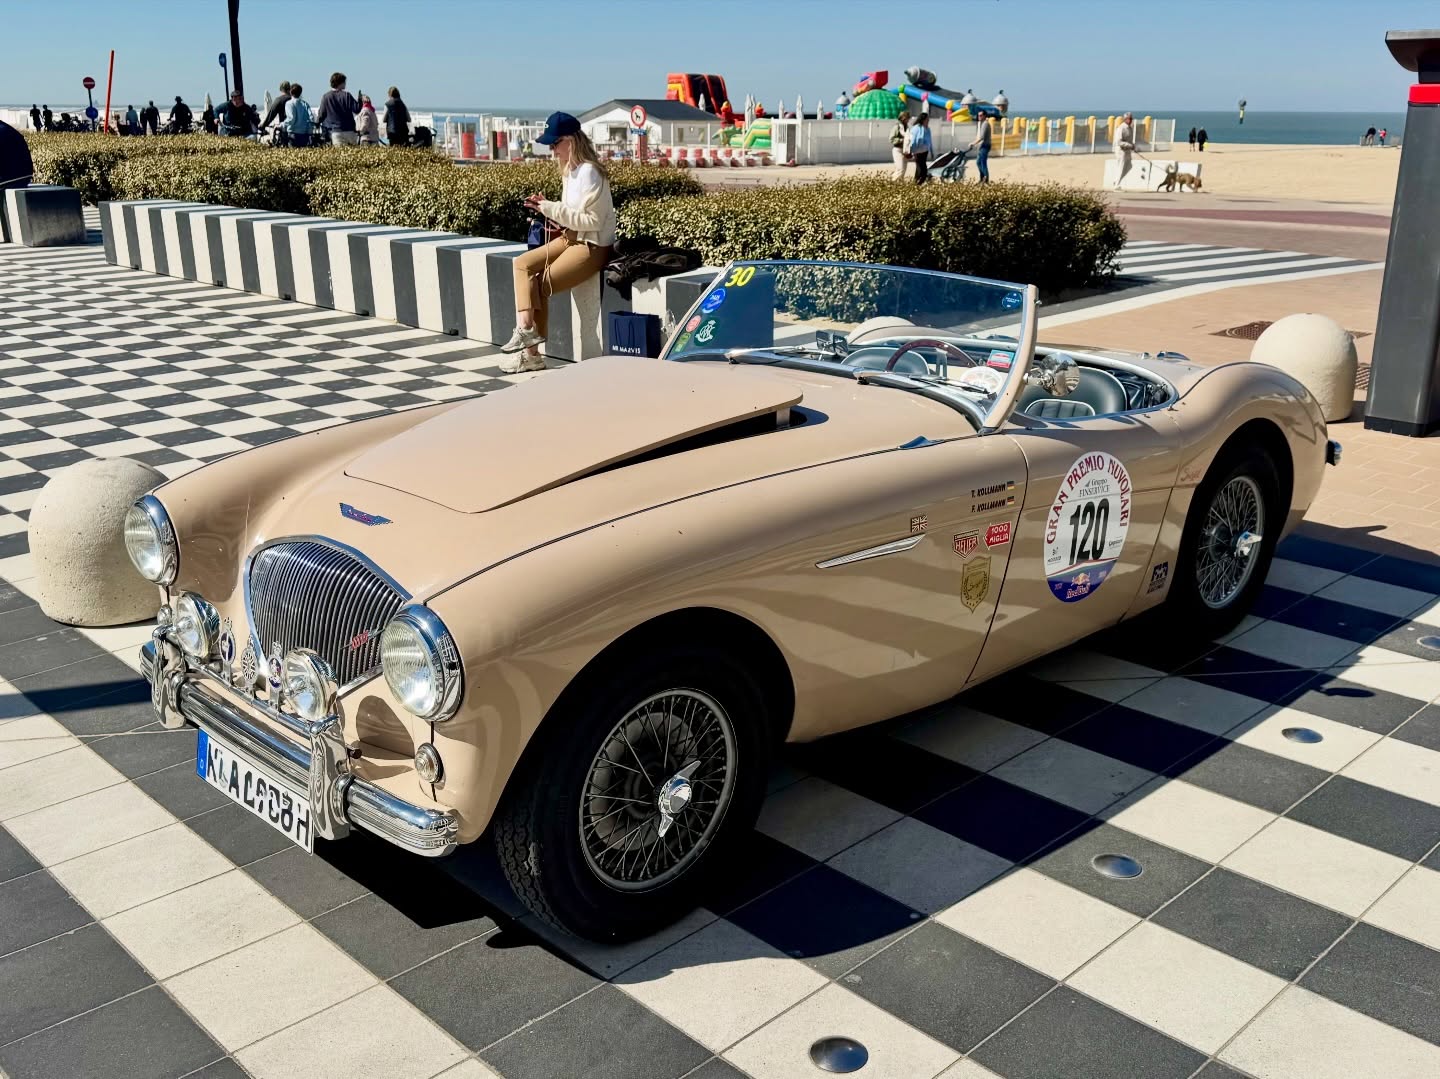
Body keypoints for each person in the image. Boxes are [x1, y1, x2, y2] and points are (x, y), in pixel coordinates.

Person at [501, 112, 616, 374]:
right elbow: (570, 213)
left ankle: (531, 353)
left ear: (571, 141)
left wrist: (549, 208)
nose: (553, 150)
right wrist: (547, 208)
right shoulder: (570, 170)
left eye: (555, 144)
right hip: (570, 239)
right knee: (522, 264)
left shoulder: (591, 173)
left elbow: (593, 222)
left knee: (540, 284)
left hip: (591, 246)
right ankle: (527, 332)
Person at [317, 72, 362, 145]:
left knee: (340, 154)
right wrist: (360, 100)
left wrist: (317, 123)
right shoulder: (347, 95)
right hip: (349, 130)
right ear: (340, 83)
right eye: (344, 82)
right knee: (354, 154)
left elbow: (322, 114)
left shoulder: (326, 97)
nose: (345, 84)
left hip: (336, 131)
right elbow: (357, 110)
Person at [906, 112, 932, 184]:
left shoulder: (928, 129)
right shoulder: (917, 128)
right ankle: (917, 184)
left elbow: (930, 141)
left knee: (920, 168)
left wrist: (931, 151)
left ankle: (916, 183)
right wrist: (912, 151)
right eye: (927, 119)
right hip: (917, 151)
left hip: (925, 151)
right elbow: (913, 140)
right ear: (923, 120)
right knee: (921, 169)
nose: (928, 120)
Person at [1112, 111, 1135, 189]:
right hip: (1121, 150)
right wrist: (1129, 145)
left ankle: (1116, 181)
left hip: (1127, 150)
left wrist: (1132, 145)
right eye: (1128, 119)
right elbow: (1119, 142)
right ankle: (1117, 185)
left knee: (1129, 166)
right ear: (1124, 119)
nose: (1130, 120)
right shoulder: (1121, 128)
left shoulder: (1130, 128)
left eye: (1131, 118)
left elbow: (1129, 140)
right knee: (1121, 167)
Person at [969, 111, 993, 183]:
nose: (979, 116)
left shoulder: (985, 124)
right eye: (978, 115)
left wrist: (973, 143)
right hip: (982, 146)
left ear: (985, 116)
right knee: (978, 162)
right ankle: (982, 178)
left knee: (982, 163)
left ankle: (985, 180)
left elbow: (982, 137)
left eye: (981, 115)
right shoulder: (982, 124)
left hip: (985, 146)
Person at [890, 112, 911, 180]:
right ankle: (892, 182)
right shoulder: (897, 127)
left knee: (903, 170)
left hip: (905, 150)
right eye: (907, 118)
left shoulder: (907, 127)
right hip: (898, 150)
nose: (908, 120)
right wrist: (902, 140)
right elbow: (891, 139)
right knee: (900, 169)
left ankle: (898, 186)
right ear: (903, 118)